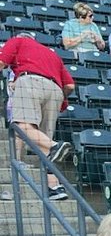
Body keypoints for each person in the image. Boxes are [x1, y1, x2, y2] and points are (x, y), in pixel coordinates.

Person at [0, 31, 76, 198]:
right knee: (43, 143)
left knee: (22, 127)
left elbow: (1, 62)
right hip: (56, 91)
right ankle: (54, 187)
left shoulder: (18, 41)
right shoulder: (51, 53)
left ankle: (55, 145)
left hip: (30, 82)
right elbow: (70, 86)